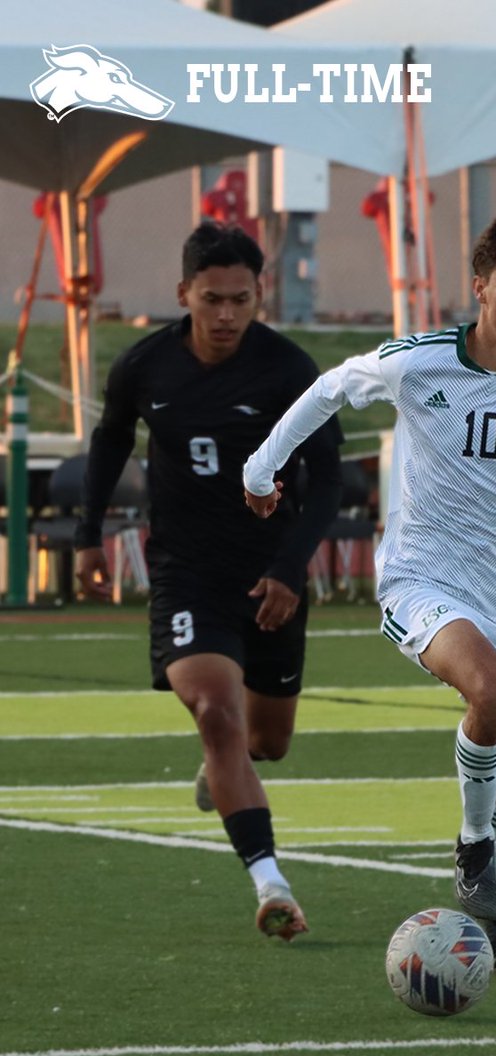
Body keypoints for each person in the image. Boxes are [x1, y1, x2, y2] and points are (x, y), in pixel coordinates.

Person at [243, 207, 496, 970]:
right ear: (479, 288)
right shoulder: (419, 362)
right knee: (489, 695)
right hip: (422, 577)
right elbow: (330, 390)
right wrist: (259, 470)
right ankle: (470, 848)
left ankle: (492, 911)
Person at [74, 221, 343, 942]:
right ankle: (270, 884)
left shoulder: (289, 371)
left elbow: (328, 481)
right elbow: (109, 439)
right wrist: (88, 534)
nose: (226, 315)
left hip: (269, 579)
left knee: (267, 741)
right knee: (216, 715)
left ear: (261, 296)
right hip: (185, 574)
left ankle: (224, 770)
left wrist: (290, 567)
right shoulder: (144, 366)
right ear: (183, 293)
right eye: (212, 299)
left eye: (241, 300)